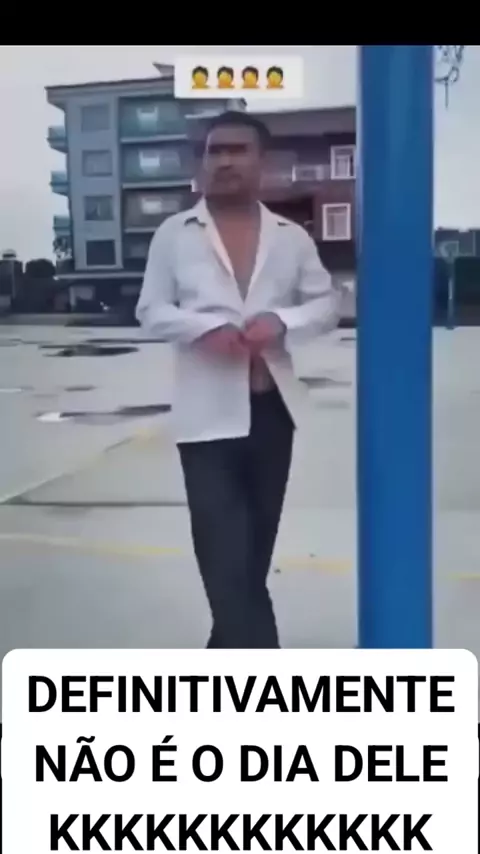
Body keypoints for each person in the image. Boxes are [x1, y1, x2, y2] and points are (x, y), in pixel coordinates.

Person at [136, 110, 340, 649]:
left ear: (263, 162)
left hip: (273, 416)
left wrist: (282, 321)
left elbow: (325, 305)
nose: (225, 160)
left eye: (238, 150)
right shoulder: (174, 234)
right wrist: (204, 328)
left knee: (247, 568)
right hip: (206, 423)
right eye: (215, 151)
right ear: (202, 162)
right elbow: (151, 309)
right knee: (226, 566)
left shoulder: (291, 238)